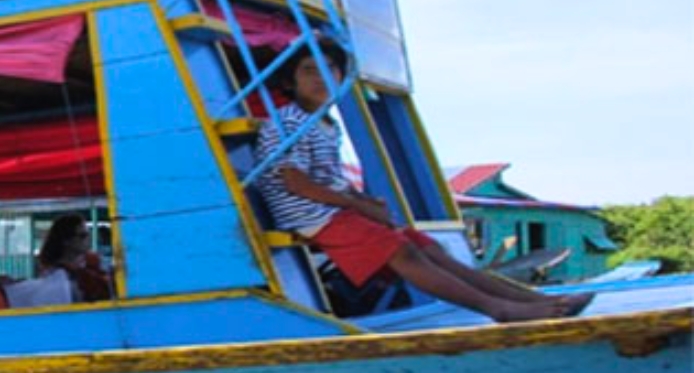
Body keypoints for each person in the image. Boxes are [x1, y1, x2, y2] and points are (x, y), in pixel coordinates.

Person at [254, 38, 592, 323]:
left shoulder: (325, 124)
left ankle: (533, 301)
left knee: (433, 250)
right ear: (288, 83)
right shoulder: (288, 122)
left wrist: (366, 203)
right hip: (310, 217)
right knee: (405, 254)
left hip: (333, 212)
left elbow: (330, 180)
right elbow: (296, 184)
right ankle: (500, 308)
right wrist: (357, 204)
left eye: (330, 69)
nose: (321, 78)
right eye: (309, 71)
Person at [36, 214, 113, 303]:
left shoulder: (94, 261)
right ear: (66, 241)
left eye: (88, 234)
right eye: (82, 236)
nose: (88, 239)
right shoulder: (56, 272)